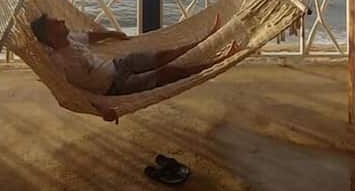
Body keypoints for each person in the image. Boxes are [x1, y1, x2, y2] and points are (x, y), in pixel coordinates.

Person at [29, 13, 236, 121]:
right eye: (57, 22)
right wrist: (101, 110)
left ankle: (209, 37)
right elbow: (71, 93)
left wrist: (112, 34)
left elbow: (90, 36)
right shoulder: (57, 62)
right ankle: (221, 59)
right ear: (50, 35)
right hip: (116, 86)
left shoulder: (71, 37)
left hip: (119, 64)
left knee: (162, 55)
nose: (62, 20)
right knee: (169, 73)